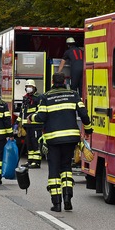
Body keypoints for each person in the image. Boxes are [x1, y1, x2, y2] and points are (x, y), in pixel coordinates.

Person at [30, 72, 92, 212]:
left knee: (54, 169)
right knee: (66, 168)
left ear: (52, 81)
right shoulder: (73, 95)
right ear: (65, 80)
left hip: (53, 139)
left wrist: (31, 118)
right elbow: (83, 114)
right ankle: (67, 198)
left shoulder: (46, 97)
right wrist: (88, 129)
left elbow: (41, 117)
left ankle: (56, 203)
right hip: (70, 138)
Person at [20, 79, 43, 168]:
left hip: (36, 125)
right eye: (27, 87)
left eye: (30, 87)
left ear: (34, 88)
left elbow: (40, 111)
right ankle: (30, 160)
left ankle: (36, 161)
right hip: (27, 125)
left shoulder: (38, 97)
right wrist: (19, 123)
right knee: (29, 143)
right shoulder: (25, 98)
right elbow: (22, 111)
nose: (29, 88)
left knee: (35, 142)